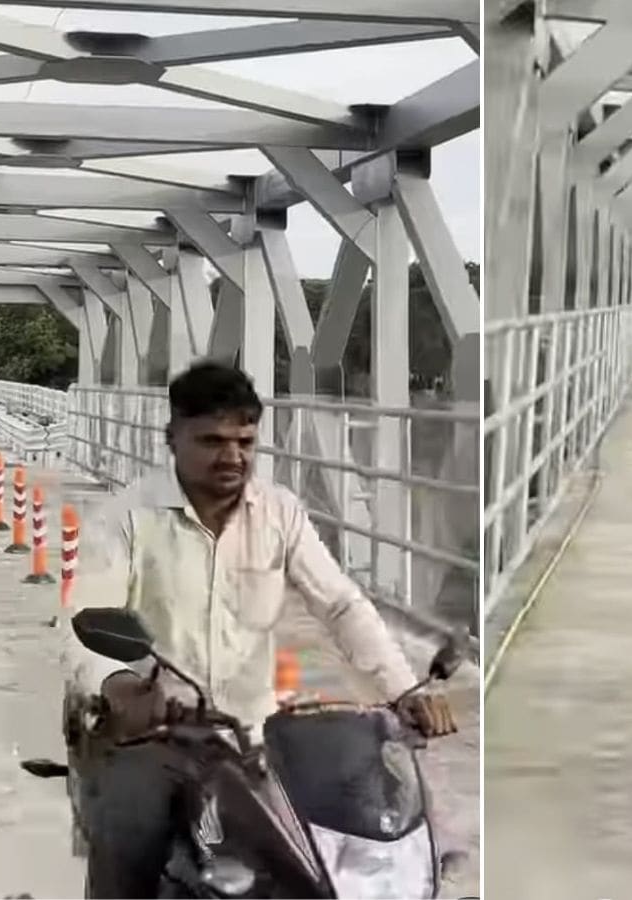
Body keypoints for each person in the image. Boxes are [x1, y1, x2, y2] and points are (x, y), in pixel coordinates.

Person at [63, 361, 458, 897]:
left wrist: (401, 688)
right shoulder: (124, 519)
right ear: (171, 437)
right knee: (131, 833)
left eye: (245, 441)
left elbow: (340, 604)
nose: (233, 456)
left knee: (349, 838)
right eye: (212, 440)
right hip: (157, 737)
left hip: (258, 735)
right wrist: (117, 684)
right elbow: (84, 617)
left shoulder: (280, 512)